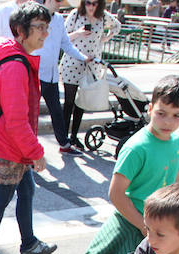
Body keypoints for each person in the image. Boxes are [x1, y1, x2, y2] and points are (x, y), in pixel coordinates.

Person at [71, 74, 179, 254]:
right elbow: (115, 193)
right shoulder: (137, 147)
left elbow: (174, 182)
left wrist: (178, 222)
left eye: (177, 116)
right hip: (130, 224)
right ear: (150, 108)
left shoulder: (177, 143)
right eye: (162, 113)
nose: (168, 122)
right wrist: (142, 225)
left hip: (160, 227)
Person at [0, 2, 59, 254]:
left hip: (14, 147)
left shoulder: (17, 59)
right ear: (21, 31)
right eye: (39, 28)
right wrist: (37, 153)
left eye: (47, 27)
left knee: (27, 190)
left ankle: (29, 244)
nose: (45, 33)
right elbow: (15, 121)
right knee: (1, 199)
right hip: (8, 147)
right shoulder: (15, 66)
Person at [60, 0, 121, 150]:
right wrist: (79, 32)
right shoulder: (75, 15)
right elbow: (63, 37)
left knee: (82, 102)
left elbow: (117, 26)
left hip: (91, 65)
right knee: (69, 102)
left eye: (94, 3)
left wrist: (106, 38)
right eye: (88, 3)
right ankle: (64, 138)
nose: (91, 6)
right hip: (72, 62)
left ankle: (74, 137)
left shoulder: (103, 17)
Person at [35, 0, 91, 156]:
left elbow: (65, 43)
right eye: (58, 0)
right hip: (34, 74)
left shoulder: (59, 19)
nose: (61, 3)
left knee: (57, 111)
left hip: (51, 75)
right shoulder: (34, 17)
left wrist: (82, 57)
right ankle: (29, 150)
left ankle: (64, 143)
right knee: (31, 113)